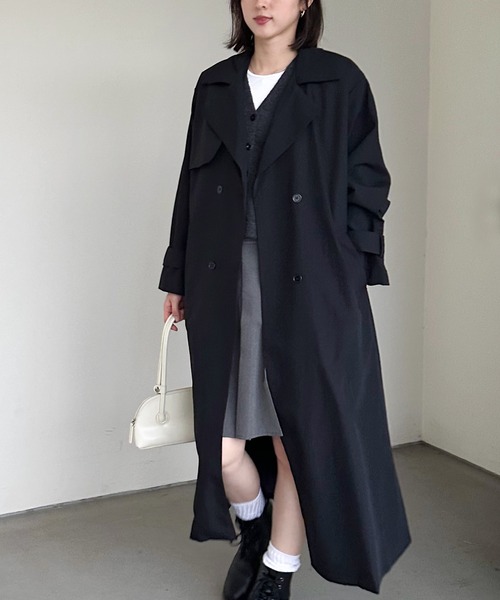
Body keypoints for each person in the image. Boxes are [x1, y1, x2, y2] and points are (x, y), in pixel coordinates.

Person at [160, 1, 412, 598]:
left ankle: (278, 566)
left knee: (297, 434)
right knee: (222, 446)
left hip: (311, 282)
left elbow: (368, 181)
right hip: (224, 282)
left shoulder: (339, 80)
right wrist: (177, 275)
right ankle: (252, 528)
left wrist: (346, 265)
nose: (263, 3)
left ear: (305, 3)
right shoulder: (215, 84)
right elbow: (190, 184)